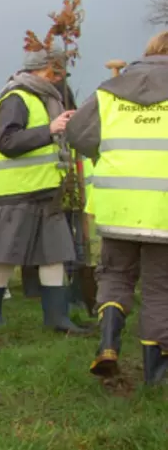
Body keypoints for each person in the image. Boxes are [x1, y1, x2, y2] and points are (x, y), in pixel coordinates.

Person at [67, 32, 168, 383]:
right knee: (160, 289)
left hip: (116, 205)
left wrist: (107, 152)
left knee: (114, 275)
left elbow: (77, 132)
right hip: (163, 210)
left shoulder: (111, 90)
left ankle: (108, 343)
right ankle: (157, 373)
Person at [0, 47, 90, 333]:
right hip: (17, 192)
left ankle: (57, 318)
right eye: (56, 72)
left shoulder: (44, 99)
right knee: (5, 255)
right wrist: (50, 129)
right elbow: (8, 142)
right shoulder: (15, 98)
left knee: (54, 253)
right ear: (41, 70)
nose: (60, 79)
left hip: (46, 191)